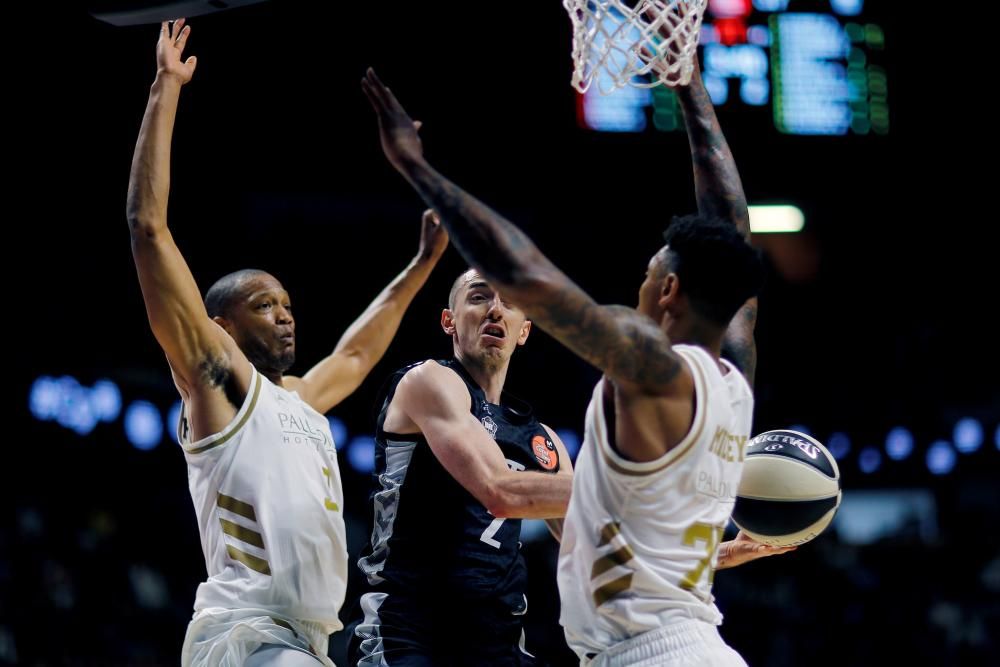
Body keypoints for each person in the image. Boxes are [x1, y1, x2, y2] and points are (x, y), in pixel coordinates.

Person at [360, 52, 789, 665]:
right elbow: (732, 230)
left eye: (647, 277)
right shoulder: (732, 382)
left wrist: (416, 167)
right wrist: (688, 84)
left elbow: (526, 274)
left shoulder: (650, 365)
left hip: (647, 655)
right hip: (691, 640)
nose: (638, 290)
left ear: (668, 292)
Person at [126, 21, 448, 666]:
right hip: (248, 636)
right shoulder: (217, 383)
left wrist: (419, 266)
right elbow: (148, 227)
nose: (283, 316)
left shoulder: (298, 399)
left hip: (306, 641)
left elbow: (355, 355)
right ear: (221, 326)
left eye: (288, 305)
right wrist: (166, 87)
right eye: (263, 305)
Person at [349, 267, 575, 666]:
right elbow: (500, 491)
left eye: (509, 302)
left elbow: (589, 534)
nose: (495, 310)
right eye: (478, 297)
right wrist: (642, 482)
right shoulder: (428, 380)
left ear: (523, 331)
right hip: (409, 631)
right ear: (448, 321)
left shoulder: (545, 440)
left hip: (498, 640)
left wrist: (696, 546)